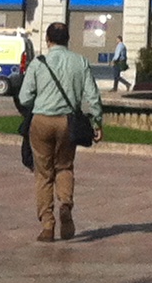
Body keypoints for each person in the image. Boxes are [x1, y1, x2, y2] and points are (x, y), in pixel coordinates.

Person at [16, 22, 103, 242]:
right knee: (64, 166)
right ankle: (65, 204)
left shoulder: (38, 63)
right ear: (68, 39)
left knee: (43, 173)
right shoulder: (80, 61)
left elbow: (24, 97)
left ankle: (47, 224)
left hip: (41, 121)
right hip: (67, 122)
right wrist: (96, 122)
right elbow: (93, 96)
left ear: (48, 40)